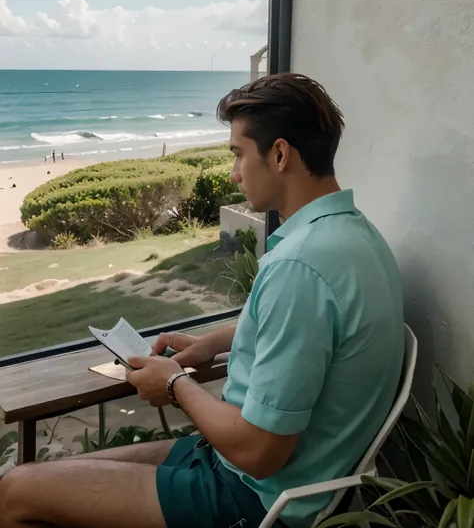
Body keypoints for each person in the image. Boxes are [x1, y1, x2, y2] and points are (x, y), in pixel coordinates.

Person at [0, 73, 405, 528]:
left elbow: (259, 453)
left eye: (237, 155)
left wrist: (174, 385)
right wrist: (215, 341)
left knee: (16, 493)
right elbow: (319, 332)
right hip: (256, 470)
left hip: (253, 497)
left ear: (279, 154)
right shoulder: (357, 237)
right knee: (43, 479)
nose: (233, 173)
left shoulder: (301, 266)